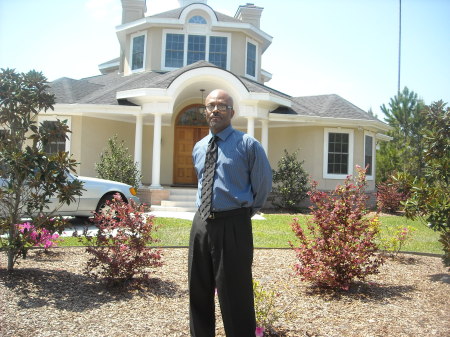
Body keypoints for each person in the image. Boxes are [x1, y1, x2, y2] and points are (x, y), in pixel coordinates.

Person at [188, 89, 272, 337]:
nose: (215, 110)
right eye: (211, 106)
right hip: (201, 224)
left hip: (234, 223)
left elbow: (263, 184)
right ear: (205, 111)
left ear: (231, 112)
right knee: (198, 290)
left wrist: (243, 213)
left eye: (222, 106)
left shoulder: (248, 145)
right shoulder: (199, 147)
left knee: (235, 293)